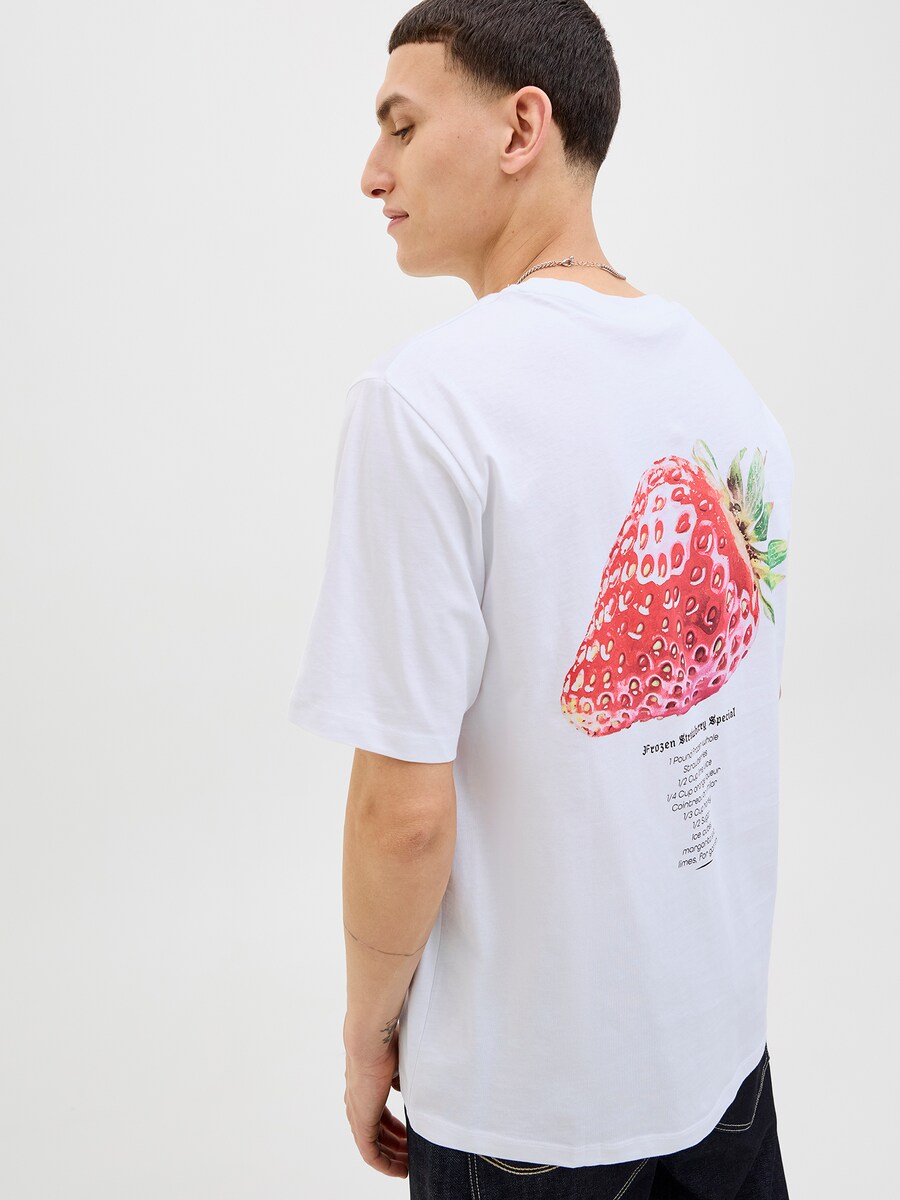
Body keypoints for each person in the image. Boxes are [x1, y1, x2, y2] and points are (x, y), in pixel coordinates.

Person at [286, 2, 793, 1196]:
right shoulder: (728, 389)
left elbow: (403, 814)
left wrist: (367, 1032)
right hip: (722, 1070)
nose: (372, 173)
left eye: (402, 127)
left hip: (530, 1111)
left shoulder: (426, 405)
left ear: (523, 128)